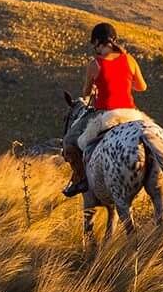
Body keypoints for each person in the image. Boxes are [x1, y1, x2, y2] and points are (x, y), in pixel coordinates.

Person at [61, 22, 148, 198]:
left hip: (105, 114)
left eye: (94, 44)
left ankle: (80, 178)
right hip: (131, 113)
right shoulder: (130, 60)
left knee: (69, 141)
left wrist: (95, 88)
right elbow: (141, 87)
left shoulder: (95, 64)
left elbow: (86, 93)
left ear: (97, 42)